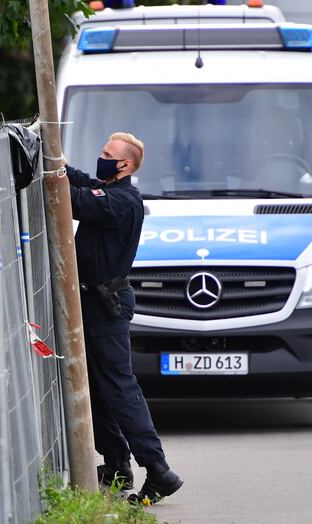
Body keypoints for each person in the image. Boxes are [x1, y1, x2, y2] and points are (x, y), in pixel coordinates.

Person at [61, 132, 183, 504]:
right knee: (99, 389)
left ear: (125, 165)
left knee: (119, 389)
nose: (102, 158)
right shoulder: (110, 191)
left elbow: (77, 199)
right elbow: (84, 182)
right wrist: (60, 164)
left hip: (105, 305)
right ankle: (116, 466)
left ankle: (159, 470)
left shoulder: (122, 201)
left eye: (107, 154)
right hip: (95, 302)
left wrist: (55, 176)